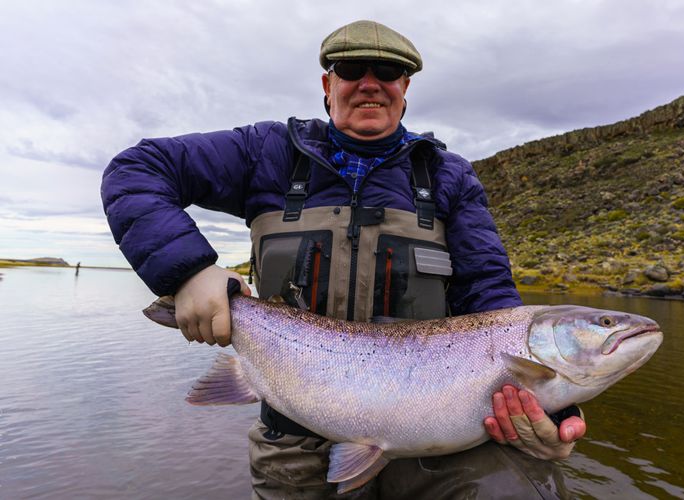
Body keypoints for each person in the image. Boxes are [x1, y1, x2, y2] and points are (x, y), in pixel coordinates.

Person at [102, 20, 585, 500]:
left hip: (436, 442)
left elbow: (492, 296)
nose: (370, 83)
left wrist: (552, 407)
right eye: (352, 68)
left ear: (405, 88)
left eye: (389, 72)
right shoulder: (265, 153)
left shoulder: (447, 175)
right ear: (327, 84)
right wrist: (188, 271)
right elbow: (136, 170)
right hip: (291, 435)